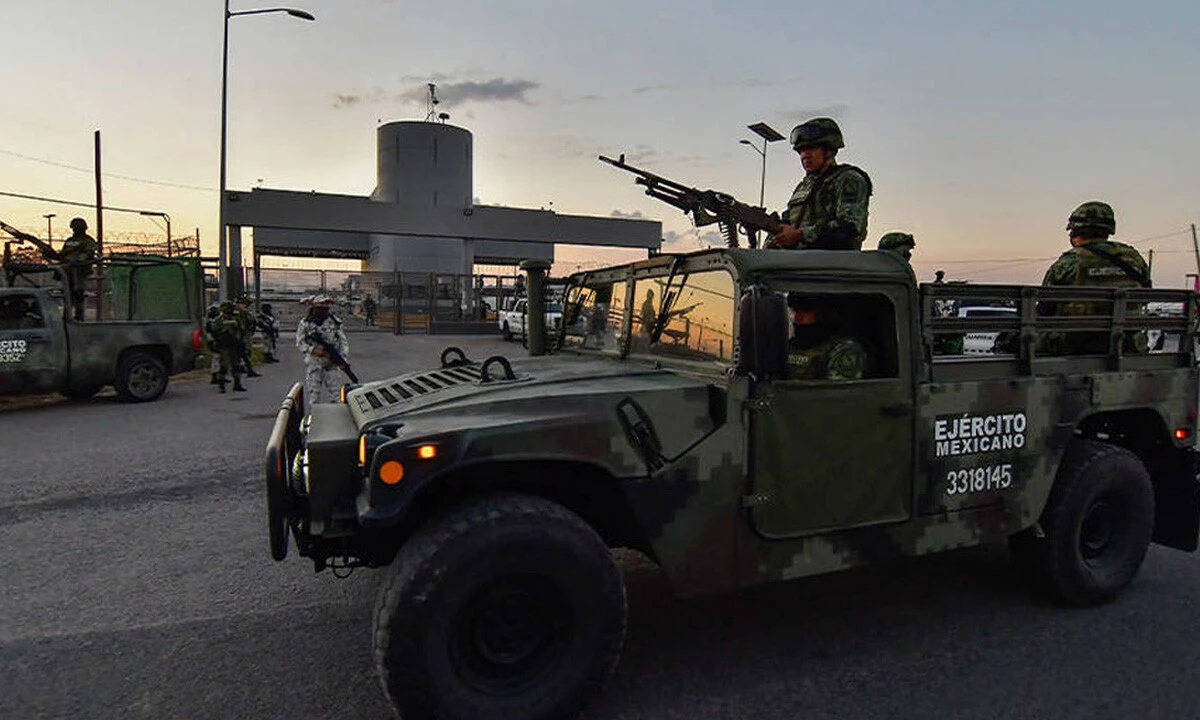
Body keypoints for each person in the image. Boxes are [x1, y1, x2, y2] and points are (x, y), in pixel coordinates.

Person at [1039, 201, 1150, 354]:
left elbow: (1044, 308)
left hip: (1073, 346)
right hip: (1128, 344)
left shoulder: (1070, 261)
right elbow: (1145, 296)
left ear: (1076, 232)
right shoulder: (1133, 258)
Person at [768, 118, 873, 251]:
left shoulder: (848, 179)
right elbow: (788, 222)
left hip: (833, 261)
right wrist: (772, 233)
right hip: (797, 260)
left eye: (811, 148)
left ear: (829, 151)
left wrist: (801, 235)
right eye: (801, 151)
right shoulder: (805, 186)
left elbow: (849, 228)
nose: (805, 155)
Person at [786, 294, 870, 380]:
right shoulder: (790, 346)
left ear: (823, 314)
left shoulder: (845, 350)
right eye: (796, 310)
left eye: (805, 311)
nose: (797, 318)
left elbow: (837, 387)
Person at [296, 294, 350, 405]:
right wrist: (313, 350)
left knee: (335, 395)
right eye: (321, 305)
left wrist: (343, 360)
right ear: (315, 306)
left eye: (326, 306)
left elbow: (343, 342)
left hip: (332, 364)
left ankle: (335, 415)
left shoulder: (335, 322)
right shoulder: (305, 323)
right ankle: (314, 415)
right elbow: (300, 343)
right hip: (314, 363)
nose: (324, 308)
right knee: (314, 395)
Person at [59, 218, 99, 321]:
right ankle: (66, 315)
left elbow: (89, 253)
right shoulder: (69, 241)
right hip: (67, 270)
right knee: (67, 294)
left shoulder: (88, 240)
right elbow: (63, 253)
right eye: (74, 228)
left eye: (78, 227)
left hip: (79, 270)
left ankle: (79, 315)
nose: (76, 230)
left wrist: (78, 260)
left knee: (78, 293)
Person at [209, 301, 246, 393]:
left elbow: (242, 329)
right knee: (223, 366)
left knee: (236, 366)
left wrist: (240, 339)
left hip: (234, 345)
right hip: (223, 346)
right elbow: (214, 332)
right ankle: (221, 386)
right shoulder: (218, 320)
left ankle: (237, 384)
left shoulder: (235, 318)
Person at [234, 294, 262, 377]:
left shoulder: (237, 311)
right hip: (244, 334)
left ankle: (243, 368)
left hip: (240, 334)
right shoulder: (243, 312)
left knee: (241, 352)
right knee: (246, 351)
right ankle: (247, 369)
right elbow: (250, 321)